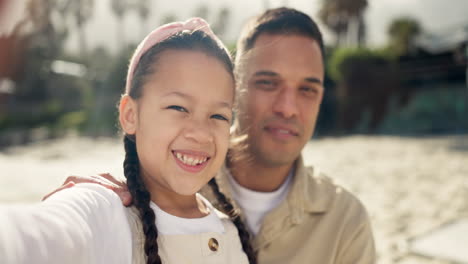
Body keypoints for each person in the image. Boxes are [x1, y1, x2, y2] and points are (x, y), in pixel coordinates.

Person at [47, 7, 376, 264]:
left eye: (307, 89)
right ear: (237, 89)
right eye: (267, 82)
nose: (288, 107)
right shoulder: (160, 182)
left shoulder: (345, 220)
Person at [0, 18, 256, 264]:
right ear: (130, 115)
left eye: (218, 115)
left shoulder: (231, 233)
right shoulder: (103, 212)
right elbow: (27, 239)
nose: (201, 133)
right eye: (178, 107)